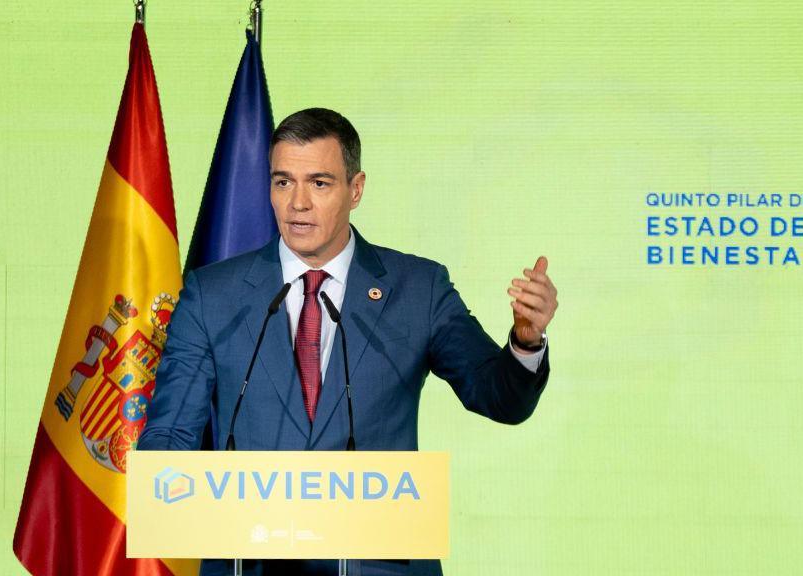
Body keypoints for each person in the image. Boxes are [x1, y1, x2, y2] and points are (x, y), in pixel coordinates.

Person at [137, 108, 558, 576]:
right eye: (282, 182)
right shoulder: (212, 295)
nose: (298, 203)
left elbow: (498, 395)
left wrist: (526, 341)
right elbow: (169, 436)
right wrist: (176, 493)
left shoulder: (418, 288)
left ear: (355, 190)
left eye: (319, 183)